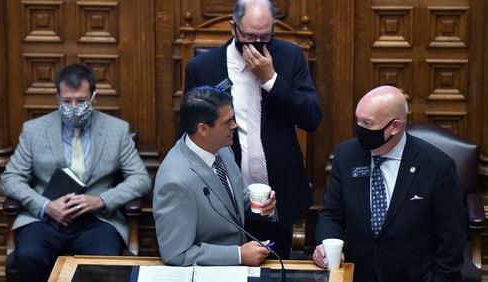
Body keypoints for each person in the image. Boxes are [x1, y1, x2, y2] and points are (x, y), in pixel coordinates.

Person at [184, 0, 322, 259]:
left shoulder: (290, 57)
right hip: (223, 200)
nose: (258, 42)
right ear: (233, 28)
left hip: (278, 194)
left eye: (265, 36)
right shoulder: (202, 68)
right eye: (249, 36)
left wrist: (271, 80)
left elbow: (312, 117)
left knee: (275, 267)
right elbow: (189, 134)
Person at [0, 63, 151, 282]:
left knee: (104, 263)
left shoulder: (116, 130)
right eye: (66, 101)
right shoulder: (34, 130)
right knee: (29, 257)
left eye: (80, 101)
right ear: (57, 97)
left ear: (93, 98)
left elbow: (140, 179)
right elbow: (10, 178)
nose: (73, 106)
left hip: (96, 221)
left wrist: (101, 200)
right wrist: (45, 206)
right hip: (44, 220)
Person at [313, 85, 466, 281]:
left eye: (367, 123)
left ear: (395, 127)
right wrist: (326, 243)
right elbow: (332, 213)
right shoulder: (346, 155)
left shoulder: (436, 166)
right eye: (357, 120)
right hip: (356, 274)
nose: (359, 128)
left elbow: (452, 239)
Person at [154, 86, 277, 266]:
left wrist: (263, 206)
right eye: (227, 122)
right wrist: (238, 255)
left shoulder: (222, 149)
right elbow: (176, 254)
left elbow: (234, 200)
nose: (234, 125)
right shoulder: (176, 182)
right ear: (203, 129)